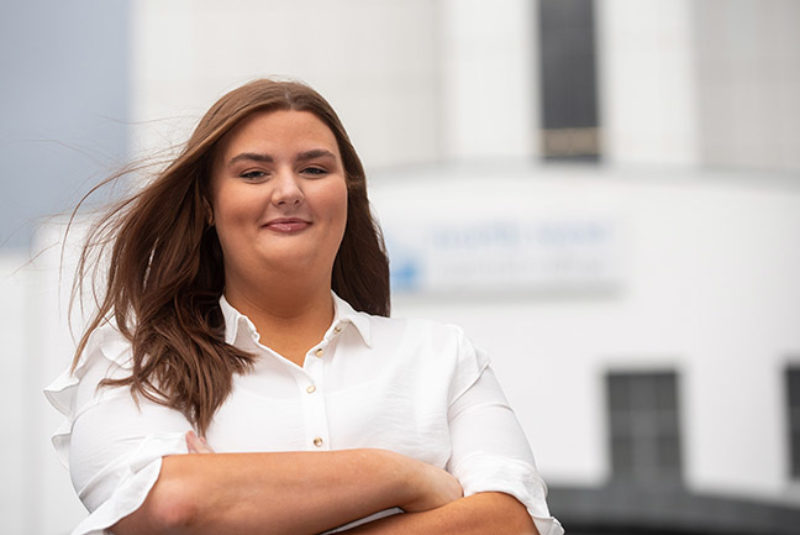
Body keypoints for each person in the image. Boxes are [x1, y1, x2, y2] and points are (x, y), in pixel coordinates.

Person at [45, 79, 563, 535]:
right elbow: (173, 502)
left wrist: (236, 509)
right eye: (254, 174)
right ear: (208, 204)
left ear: (347, 194)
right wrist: (400, 476)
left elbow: (510, 522)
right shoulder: (136, 364)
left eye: (314, 169)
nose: (289, 191)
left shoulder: (445, 358)